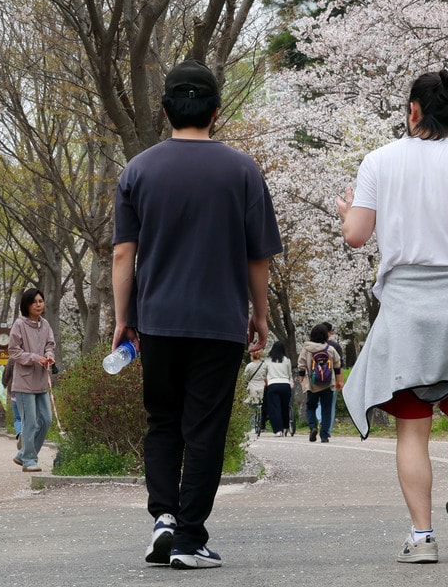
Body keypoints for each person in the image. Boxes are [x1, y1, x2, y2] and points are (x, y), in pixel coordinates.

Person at [112, 58, 282, 570]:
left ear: (165, 109)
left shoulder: (138, 170)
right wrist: (260, 314)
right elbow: (258, 257)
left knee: (162, 421)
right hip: (218, 321)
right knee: (203, 428)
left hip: (158, 320)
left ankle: (163, 518)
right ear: (216, 110)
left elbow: (124, 253)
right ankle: (188, 537)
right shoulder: (243, 170)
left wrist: (125, 318)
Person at [336, 69, 448, 564]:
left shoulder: (379, 161)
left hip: (405, 309)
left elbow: (356, 235)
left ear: (412, 112)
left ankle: (422, 538)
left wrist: (347, 211)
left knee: (412, 428)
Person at [8, 288, 57, 473]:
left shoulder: (45, 325)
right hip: (24, 383)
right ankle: (29, 459)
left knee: (46, 419)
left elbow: (50, 345)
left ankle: (23, 454)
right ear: (27, 305)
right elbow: (13, 350)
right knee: (30, 422)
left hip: (41, 381)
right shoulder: (19, 324)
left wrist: (49, 356)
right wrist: (34, 358)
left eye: (41, 301)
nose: (39, 304)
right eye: (35, 301)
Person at [299, 324, 337, 443]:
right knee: (326, 408)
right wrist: (339, 381)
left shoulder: (306, 348)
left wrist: (301, 380)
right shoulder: (330, 349)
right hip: (327, 383)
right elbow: (337, 365)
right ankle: (324, 435)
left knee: (311, 407)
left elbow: (301, 365)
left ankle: (313, 427)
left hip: (312, 383)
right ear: (326, 335)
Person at [262, 341, 293, 436]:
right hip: (285, 385)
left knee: (274, 408)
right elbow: (289, 374)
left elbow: (264, 374)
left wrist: (267, 383)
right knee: (285, 407)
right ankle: (285, 427)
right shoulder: (287, 360)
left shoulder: (267, 361)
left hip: (273, 385)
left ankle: (278, 429)